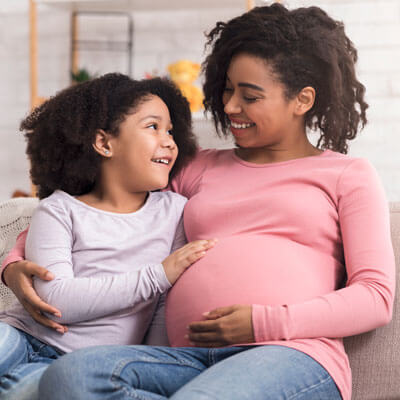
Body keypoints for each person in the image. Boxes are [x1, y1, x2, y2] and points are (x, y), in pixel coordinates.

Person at [1, 3, 396, 400]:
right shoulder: (196, 167)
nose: (229, 107)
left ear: (302, 100)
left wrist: (264, 323)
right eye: (227, 89)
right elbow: (110, 208)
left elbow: (375, 296)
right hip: (185, 359)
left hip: (289, 353)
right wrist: (14, 263)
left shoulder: (348, 175)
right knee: (71, 377)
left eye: (250, 95)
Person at [0, 73, 216, 400]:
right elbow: (55, 300)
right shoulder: (58, 210)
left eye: (170, 130)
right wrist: (158, 274)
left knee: (22, 394)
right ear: (104, 143)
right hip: (21, 336)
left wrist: (145, 365)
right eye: (152, 127)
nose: (169, 140)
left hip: (80, 366)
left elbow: (159, 314)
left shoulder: (174, 212)